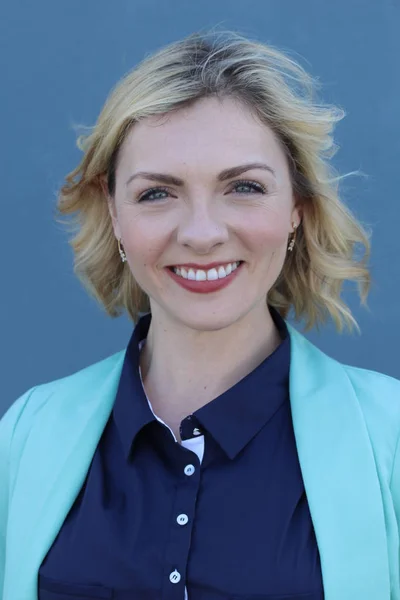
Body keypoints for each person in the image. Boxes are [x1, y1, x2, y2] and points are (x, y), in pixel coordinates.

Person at [1, 28, 399, 600]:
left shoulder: (391, 442)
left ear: (297, 209)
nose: (202, 233)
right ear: (113, 215)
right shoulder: (26, 435)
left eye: (243, 186)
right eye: (157, 194)